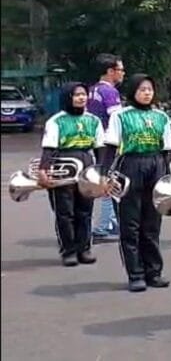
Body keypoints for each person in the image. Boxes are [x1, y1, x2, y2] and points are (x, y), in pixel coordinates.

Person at [101, 74, 171, 291]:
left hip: (156, 164)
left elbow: (166, 150)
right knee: (130, 224)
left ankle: (154, 272)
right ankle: (135, 274)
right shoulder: (120, 116)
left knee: (152, 224)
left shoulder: (161, 117)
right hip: (130, 165)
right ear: (133, 91)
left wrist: (169, 178)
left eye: (150, 89)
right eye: (142, 89)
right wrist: (104, 175)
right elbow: (111, 147)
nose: (147, 93)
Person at [39, 82, 105, 266]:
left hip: (87, 165)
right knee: (64, 212)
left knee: (85, 211)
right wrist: (43, 170)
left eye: (84, 94)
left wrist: (102, 172)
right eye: (76, 95)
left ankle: (84, 249)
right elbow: (48, 148)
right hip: (63, 165)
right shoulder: (56, 121)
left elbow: (100, 148)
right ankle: (69, 251)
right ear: (68, 97)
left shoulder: (94, 120)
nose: (81, 98)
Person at [88, 53, 124, 240]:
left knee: (106, 180)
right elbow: (118, 120)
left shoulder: (92, 90)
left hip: (94, 142)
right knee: (110, 183)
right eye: (120, 70)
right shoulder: (110, 92)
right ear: (110, 71)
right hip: (109, 144)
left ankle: (111, 222)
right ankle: (102, 226)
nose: (123, 73)